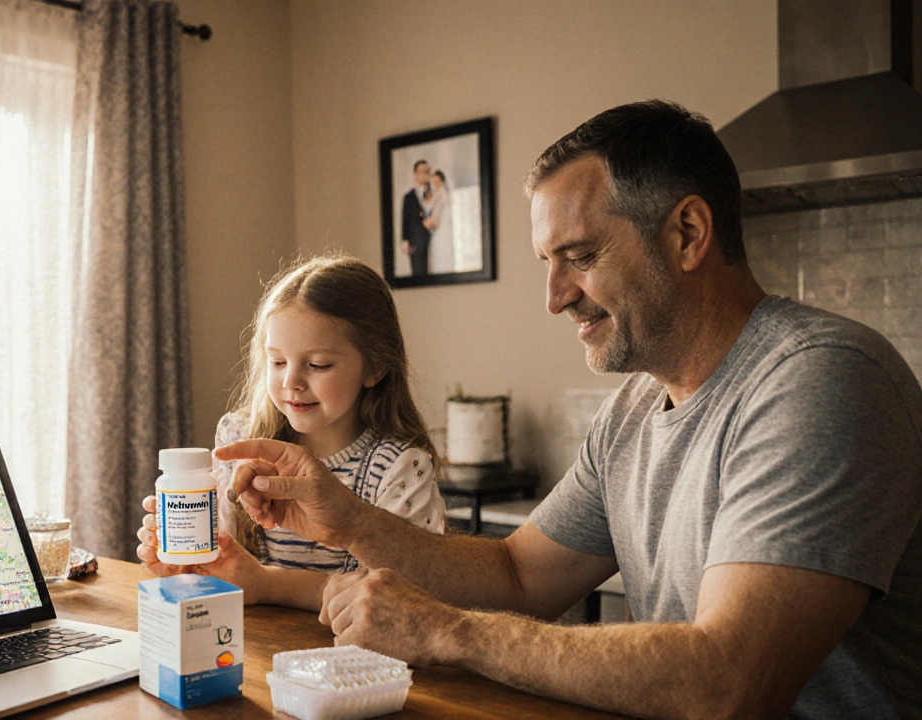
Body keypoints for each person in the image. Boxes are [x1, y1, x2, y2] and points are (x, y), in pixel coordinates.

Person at [216, 100, 922, 718]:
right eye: (547, 264)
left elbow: (728, 684)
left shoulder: (821, 381)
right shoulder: (635, 411)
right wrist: (351, 519)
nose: (555, 296)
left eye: (578, 256)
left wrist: (447, 631)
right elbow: (519, 578)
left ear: (687, 234)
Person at [135, 253, 445, 611]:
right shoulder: (239, 438)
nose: (291, 381)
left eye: (317, 365)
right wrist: (188, 564)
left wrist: (268, 584)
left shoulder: (400, 469)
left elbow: (407, 597)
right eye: (277, 361)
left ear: (374, 367)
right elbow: (224, 569)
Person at [401, 159, 432, 276]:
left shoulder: (434, 193)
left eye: (427, 171)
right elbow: (405, 220)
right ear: (415, 174)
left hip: (431, 238)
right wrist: (405, 240)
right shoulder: (408, 197)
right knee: (418, 270)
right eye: (422, 171)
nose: (425, 175)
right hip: (416, 239)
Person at [424, 169, 453, 274]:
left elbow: (439, 211)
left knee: (441, 250)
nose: (435, 183)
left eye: (437, 181)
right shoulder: (435, 194)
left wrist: (432, 222)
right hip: (436, 227)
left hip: (441, 227)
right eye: (434, 181)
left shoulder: (442, 194)